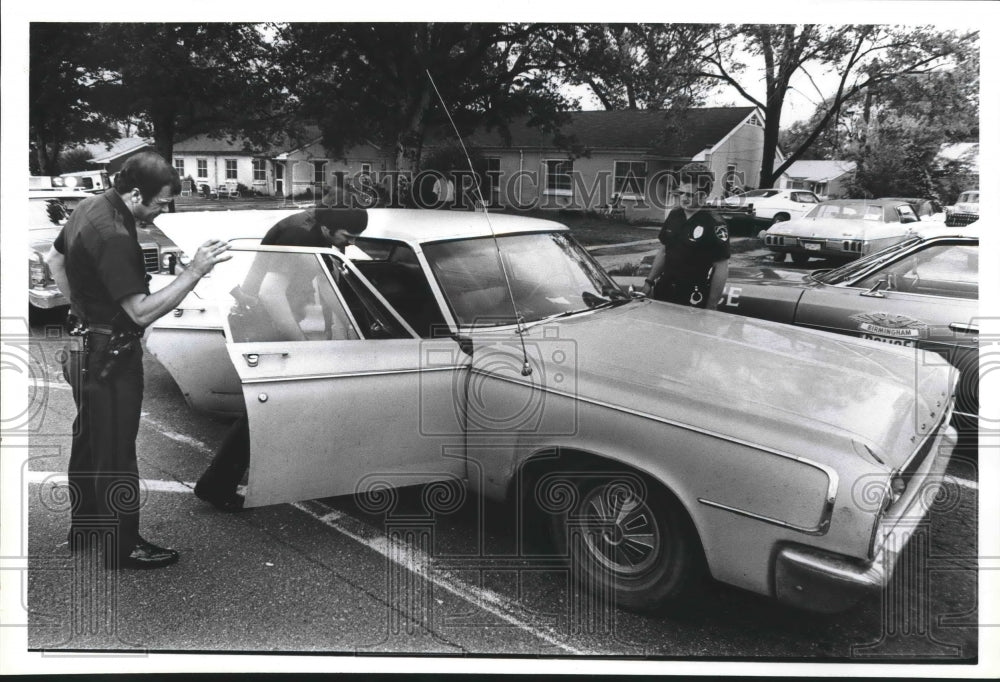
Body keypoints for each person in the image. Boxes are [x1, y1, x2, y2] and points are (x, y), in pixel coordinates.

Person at [45, 151, 232, 569]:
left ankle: (88, 526)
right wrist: (194, 272)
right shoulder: (115, 235)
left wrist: (84, 312)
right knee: (116, 452)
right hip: (109, 357)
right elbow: (141, 312)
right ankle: (121, 545)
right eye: (160, 201)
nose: (163, 209)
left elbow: (55, 259)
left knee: (90, 440)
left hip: (80, 345)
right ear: (134, 193)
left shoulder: (89, 206)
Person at [193, 208, 368, 512]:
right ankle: (216, 485)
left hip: (271, 318)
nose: (350, 244)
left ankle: (226, 482)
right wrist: (301, 346)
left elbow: (325, 284)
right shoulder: (298, 236)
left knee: (273, 406)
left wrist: (358, 324)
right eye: (348, 237)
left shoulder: (319, 233)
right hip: (261, 320)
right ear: (328, 228)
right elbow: (271, 293)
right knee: (263, 409)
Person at [639, 181, 730, 309]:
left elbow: (721, 267)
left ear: (703, 196)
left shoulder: (714, 223)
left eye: (689, 194)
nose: (683, 198)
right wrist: (649, 282)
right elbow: (664, 251)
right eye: (681, 193)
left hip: (693, 294)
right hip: (664, 290)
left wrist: (712, 304)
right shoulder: (674, 215)